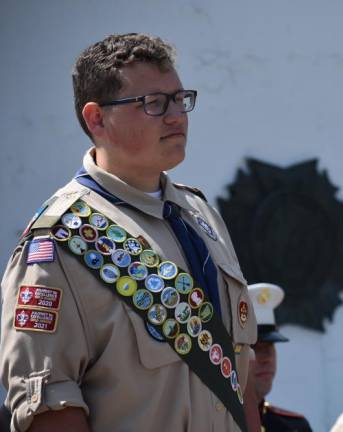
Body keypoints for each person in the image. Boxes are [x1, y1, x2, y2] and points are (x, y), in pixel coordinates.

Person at [0, 33, 259, 432]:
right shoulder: (59, 241)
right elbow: (49, 405)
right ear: (96, 118)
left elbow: (239, 372)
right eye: (153, 103)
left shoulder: (199, 215)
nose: (176, 116)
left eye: (179, 99)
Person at [248, 283, 312, 432]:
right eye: (255, 348)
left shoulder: (294, 427)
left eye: (270, 347)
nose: (266, 359)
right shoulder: (212, 425)